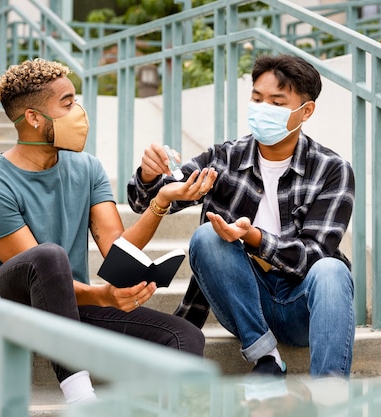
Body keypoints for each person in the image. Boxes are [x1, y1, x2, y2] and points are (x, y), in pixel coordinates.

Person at [0, 58, 215, 403]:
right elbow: (33, 271)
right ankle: (81, 397)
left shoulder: (87, 167)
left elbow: (117, 249)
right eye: (67, 104)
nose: (79, 112)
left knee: (184, 337)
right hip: (5, 310)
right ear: (35, 119)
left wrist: (159, 201)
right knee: (48, 256)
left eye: (76, 100)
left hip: (69, 306)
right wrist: (101, 295)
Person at [127, 54, 355, 378]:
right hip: (245, 303)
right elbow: (144, 199)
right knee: (207, 236)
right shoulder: (225, 158)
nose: (263, 109)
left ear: (306, 111)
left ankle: (332, 394)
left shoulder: (331, 170)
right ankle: (267, 359)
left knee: (332, 269)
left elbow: (313, 255)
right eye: (257, 99)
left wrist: (254, 238)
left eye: (277, 102)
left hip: (301, 305)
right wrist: (150, 177)